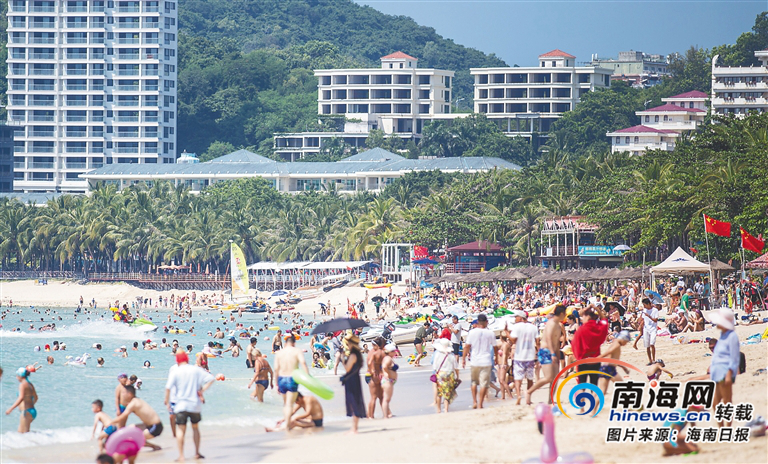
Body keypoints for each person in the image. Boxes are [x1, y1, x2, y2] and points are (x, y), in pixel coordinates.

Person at [164, 351, 215, 462]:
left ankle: (181, 456)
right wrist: (202, 391)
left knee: (181, 430)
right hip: (194, 405)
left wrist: (166, 401)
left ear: (177, 360)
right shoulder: (195, 369)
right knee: (195, 428)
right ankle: (197, 453)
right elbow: (211, 379)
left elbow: (168, 388)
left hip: (180, 404)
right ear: (187, 359)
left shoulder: (175, 371)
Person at [526, 304, 567, 404]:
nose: (565, 315)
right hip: (546, 352)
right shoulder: (551, 323)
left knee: (556, 377)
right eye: (565, 313)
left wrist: (557, 354)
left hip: (553, 352)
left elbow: (556, 342)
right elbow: (548, 338)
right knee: (548, 377)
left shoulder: (558, 325)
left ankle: (550, 399)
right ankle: (529, 392)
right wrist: (553, 354)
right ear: (561, 313)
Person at [708, 307, 740, 427]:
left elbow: (734, 357)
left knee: (726, 402)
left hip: (725, 372)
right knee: (715, 403)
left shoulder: (732, 337)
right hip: (717, 372)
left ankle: (727, 427)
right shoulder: (723, 335)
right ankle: (721, 427)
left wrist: (729, 374)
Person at [109, 385, 163, 451]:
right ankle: (154, 447)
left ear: (129, 394)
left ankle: (154, 446)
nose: (122, 395)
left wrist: (110, 423)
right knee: (129, 429)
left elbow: (122, 417)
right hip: (150, 426)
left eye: (123, 393)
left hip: (155, 428)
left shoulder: (133, 404)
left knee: (133, 437)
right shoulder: (136, 400)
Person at [273, 333, 309, 431]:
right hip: (292, 378)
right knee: (290, 404)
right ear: (294, 343)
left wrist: (276, 383)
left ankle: (287, 423)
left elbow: (276, 369)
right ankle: (288, 425)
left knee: (286, 404)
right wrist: (308, 377)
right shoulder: (297, 351)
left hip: (281, 379)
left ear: (285, 343)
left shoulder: (279, 353)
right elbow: (303, 363)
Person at [462, 313, 497, 409]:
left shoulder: (472, 332)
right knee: (484, 384)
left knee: (473, 382)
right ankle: (480, 403)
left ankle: (474, 401)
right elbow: (495, 347)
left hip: (475, 361)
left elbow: (467, 346)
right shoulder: (490, 333)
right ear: (486, 322)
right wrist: (497, 357)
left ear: (478, 322)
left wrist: (464, 359)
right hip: (486, 360)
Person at [509, 310, 539, 406]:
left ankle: (518, 395)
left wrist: (506, 332)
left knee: (518, 378)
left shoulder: (516, 327)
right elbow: (537, 341)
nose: (515, 319)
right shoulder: (533, 327)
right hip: (530, 355)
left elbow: (513, 340)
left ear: (521, 318)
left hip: (519, 356)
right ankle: (528, 398)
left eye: (516, 317)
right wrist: (538, 352)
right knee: (530, 378)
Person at [340, 331, 366, 433]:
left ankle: (354, 428)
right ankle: (354, 427)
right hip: (355, 379)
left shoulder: (353, 355)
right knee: (355, 401)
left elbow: (347, 368)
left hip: (352, 381)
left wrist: (342, 359)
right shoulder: (357, 355)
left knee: (353, 402)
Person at [5, 367, 38, 433]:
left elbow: (21, 397)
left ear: (20, 376)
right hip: (32, 411)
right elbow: (36, 397)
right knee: (24, 433)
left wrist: (10, 409)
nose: (16, 377)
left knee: (22, 433)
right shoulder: (30, 384)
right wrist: (30, 405)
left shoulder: (22, 385)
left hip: (26, 412)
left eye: (17, 376)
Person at [432, 338, 460, 413]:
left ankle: (438, 409)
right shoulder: (451, 355)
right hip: (450, 374)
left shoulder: (437, 354)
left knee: (439, 393)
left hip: (440, 374)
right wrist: (457, 377)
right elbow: (456, 367)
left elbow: (434, 367)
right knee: (447, 394)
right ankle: (446, 409)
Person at [366, 338, 385, 418]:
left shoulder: (372, 352)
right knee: (374, 397)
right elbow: (370, 363)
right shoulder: (375, 353)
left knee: (380, 397)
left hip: (371, 375)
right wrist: (373, 371)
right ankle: (370, 416)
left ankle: (385, 414)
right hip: (373, 375)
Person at [636, 298, 658, 364]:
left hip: (653, 328)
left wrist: (649, 316)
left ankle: (654, 359)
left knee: (652, 344)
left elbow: (656, 320)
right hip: (646, 329)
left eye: (644, 304)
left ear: (648, 304)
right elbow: (641, 319)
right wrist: (639, 321)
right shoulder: (644, 310)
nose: (644, 306)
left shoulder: (655, 310)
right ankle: (650, 360)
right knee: (647, 346)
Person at [381, 343, 398, 418]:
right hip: (387, 380)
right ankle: (385, 416)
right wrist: (387, 373)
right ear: (390, 352)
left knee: (386, 399)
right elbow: (384, 366)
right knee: (386, 399)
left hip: (388, 380)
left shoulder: (387, 358)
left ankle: (387, 415)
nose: (395, 352)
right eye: (394, 351)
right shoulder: (388, 358)